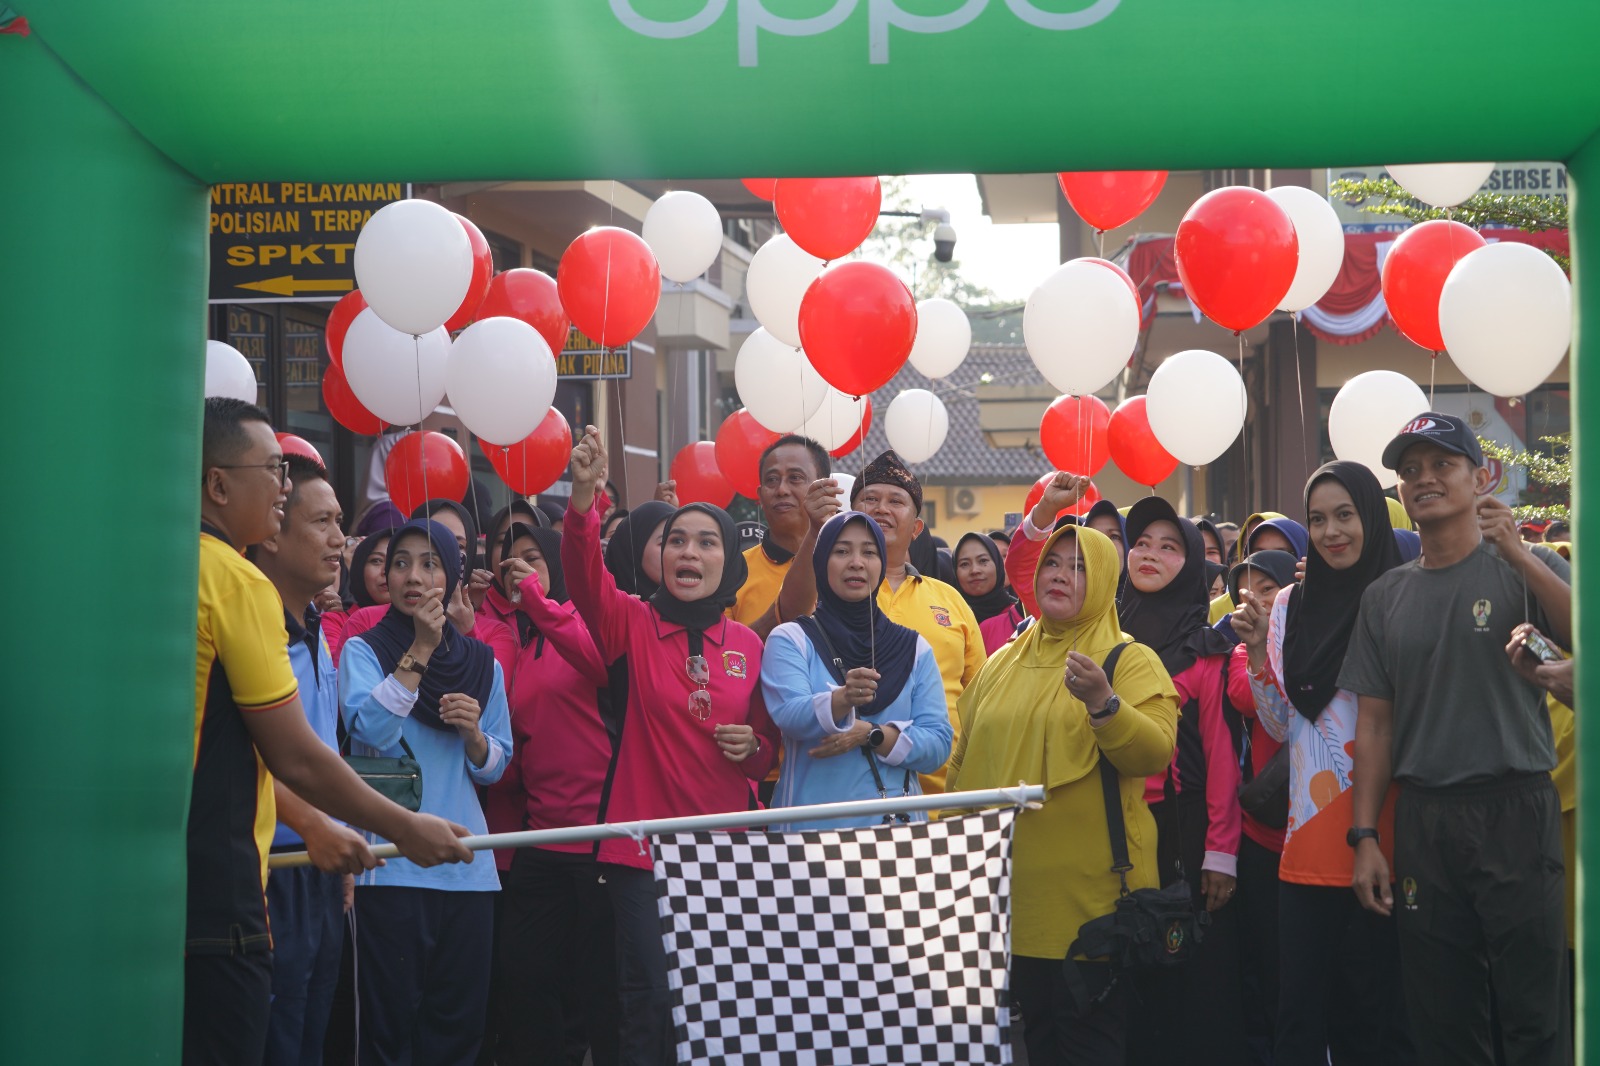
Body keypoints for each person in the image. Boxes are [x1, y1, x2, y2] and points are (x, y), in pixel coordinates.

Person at [189, 398, 472, 1064]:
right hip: (236, 879)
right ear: (219, 484)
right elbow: (297, 758)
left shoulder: (296, 620)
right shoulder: (236, 583)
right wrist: (403, 828)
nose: (282, 491)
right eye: (272, 474)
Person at [1340, 414, 1572, 1066]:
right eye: (1410, 470)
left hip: (1516, 808)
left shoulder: (1531, 565)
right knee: (1442, 1018)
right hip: (1426, 820)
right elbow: (1376, 725)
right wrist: (1364, 838)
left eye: (1442, 464)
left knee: (1533, 1015)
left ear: (1481, 477)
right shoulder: (1385, 597)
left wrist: (1520, 553)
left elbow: (1583, 640)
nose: (1424, 480)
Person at [562, 426, 779, 1066]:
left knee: (720, 1003)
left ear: (727, 562)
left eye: (706, 541)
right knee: (650, 998)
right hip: (641, 855)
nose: (689, 551)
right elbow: (581, 578)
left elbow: (769, 753)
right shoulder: (629, 619)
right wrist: (583, 498)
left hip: (731, 852)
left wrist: (754, 750)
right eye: (676, 539)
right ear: (660, 557)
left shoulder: (749, 646)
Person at [949, 522, 1179, 1066]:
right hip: (1007, 901)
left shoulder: (1129, 659)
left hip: (1093, 908)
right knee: (1036, 1048)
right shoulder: (1002, 659)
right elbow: (962, 764)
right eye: (1053, 563)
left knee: (1087, 1048)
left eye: (1079, 567)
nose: (1060, 575)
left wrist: (1105, 704)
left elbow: (1155, 753)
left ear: (1101, 582)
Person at [1230, 461, 1412, 1066]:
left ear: (1370, 517)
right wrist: (1258, 652)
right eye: (1317, 519)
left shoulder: (1400, 595)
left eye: (1345, 515)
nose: (1332, 531)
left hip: (1385, 836)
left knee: (1372, 1021)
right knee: (1299, 1022)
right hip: (1304, 844)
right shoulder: (1289, 605)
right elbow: (1286, 724)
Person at [341, 518, 514, 1065]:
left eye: (430, 563)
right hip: (389, 866)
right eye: (400, 562)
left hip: (468, 872)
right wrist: (417, 652)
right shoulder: (363, 652)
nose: (413, 576)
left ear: (453, 574)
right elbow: (371, 731)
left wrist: (473, 737)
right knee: (387, 1032)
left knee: (457, 1033)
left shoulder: (482, 664)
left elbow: (496, 766)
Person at [1117, 496, 1247, 1065]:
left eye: (1169, 547)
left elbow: (1222, 757)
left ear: (1192, 564)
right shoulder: (1100, 635)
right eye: (1141, 542)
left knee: (1189, 980)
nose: (1150, 555)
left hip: (1182, 828)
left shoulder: (1205, 648)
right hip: (1109, 829)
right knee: (1124, 977)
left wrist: (1220, 853)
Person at [492, 521, 621, 1066]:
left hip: (600, 838)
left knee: (601, 992)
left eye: (533, 558)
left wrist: (540, 602)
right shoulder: (521, 647)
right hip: (542, 840)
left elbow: (595, 662)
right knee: (524, 977)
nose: (518, 568)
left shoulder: (587, 626)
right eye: (509, 560)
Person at [247, 456, 357, 1066]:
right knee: (275, 1039)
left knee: (312, 1035)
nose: (340, 538)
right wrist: (317, 826)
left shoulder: (316, 625)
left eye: (340, 521)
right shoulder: (253, 628)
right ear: (272, 532)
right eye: (322, 522)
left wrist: (338, 837)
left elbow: (322, 749)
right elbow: (258, 756)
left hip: (320, 866)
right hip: (272, 865)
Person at [761, 511, 953, 826]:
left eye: (869, 552)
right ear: (821, 561)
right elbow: (789, 716)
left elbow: (937, 744)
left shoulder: (913, 648)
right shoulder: (791, 638)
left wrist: (874, 734)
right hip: (812, 838)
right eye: (841, 551)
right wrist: (842, 699)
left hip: (896, 839)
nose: (856, 562)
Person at [849, 450, 985, 794]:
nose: (881, 508)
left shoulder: (950, 599)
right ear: (850, 516)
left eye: (896, 501)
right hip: (852, 792)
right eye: (870, 499)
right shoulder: (830, 595)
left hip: (944, 793)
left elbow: (981, 696)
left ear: (917, 528)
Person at [728, 434, 831, 638]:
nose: (782, 490)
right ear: (760, 495)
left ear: (825, 489)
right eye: (772, 480)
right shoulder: (731, 572)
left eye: (795, 478)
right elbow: (722, 655)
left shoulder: (853, 565)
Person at [1209, 513, 1308, 622]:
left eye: (1281, 553)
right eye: (1258, 553)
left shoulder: (1324, 607)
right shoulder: (1226, 622)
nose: (1268, 562)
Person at [953, 531, 1025, 654]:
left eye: (983, 561)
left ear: (997, 565)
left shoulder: (1020, 615)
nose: (974, 570)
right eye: (964, 564)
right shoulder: (950, 620)